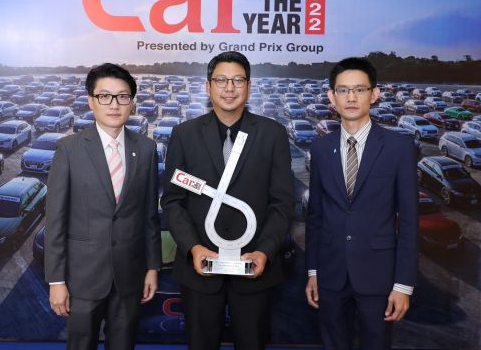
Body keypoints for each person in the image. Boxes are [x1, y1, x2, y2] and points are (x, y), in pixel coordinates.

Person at [161, 51, 294, 350]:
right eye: (221, 80)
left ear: (249, 86)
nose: (229, 88)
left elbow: (282, 203)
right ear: (208, 86)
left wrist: (264, 252)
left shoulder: (273, 134)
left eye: (237, 80)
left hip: (255, 269)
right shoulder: (184, 134)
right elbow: (173, 201)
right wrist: (193, 248)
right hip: (200, 271)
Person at [45, 63, 161, 350]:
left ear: (131, 102)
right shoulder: (69, 148)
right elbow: (56, 219)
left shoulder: (146, 149)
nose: (114, 104)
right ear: (91, 101)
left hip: (130, 275)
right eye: (104, 96)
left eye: (122, 96)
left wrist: (152, 268)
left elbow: (149, 216)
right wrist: (56, 281)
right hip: (82, 277)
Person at [305, 57, 418, 350]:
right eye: (343, 90)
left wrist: (403, 285)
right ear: (332, 97)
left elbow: (408, 222)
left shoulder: (399, 148)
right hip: (330, 275)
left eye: (359, 89)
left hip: (378, 277)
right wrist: (313, 272)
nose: (351, 97)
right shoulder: (320, 149)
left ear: (374, 94)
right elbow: (315, 216)